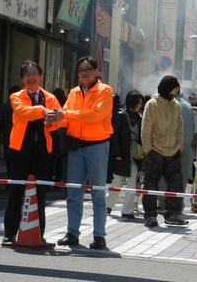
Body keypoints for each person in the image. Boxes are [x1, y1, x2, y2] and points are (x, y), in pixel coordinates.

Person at [2, 61, 62, 247]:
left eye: (34, 73)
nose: (31, 77)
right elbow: (23, 112)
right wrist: (43, 111)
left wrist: (52, 121)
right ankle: (10, 233)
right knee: (16, 192)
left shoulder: (50, 97)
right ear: (22, 78)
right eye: (27, 74)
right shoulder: (16, 96)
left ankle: (39, 234)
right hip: (20, 150)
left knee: (41, 193)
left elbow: (60, 119)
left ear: (40, 75)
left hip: (42, 151)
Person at [56, 56, 113, 250]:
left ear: (96, 70)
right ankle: (72, 233)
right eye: (81, 70)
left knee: (97, 192)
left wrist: (64, 115)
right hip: (76, 146)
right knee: (73, 192)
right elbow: (65, 117)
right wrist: (52, 120)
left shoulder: (105, 91)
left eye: (88, 69)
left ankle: (99, 236)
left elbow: (95, 115)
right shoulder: (73, 92)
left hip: (97, 145)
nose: (85, 73)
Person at [141, 75, 188, 227]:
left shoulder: (176, 106)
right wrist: (148, 149)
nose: (178, 89)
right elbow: (146, 129)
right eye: (176, 86)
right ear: (168, 87)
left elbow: (180, 128)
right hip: (155, 151)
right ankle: (150, 215)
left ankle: (172, 214)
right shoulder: (152, 104)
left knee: (176, 184)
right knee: (151, 185)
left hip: (173, 151)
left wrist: (179, 145)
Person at [106, 93, 139, 219]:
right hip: (123, 154)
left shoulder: (140, 116)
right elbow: (114, 136)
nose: (140, 105)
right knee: (118, 181)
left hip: (134, 155)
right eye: (138, 102)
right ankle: (108, 205)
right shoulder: (120, 115)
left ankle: (127, 210)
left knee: (131, 183)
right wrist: (117, 153)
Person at [0, 85, 22, 179]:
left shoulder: (5, 106)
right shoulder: (25, 107)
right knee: (20, 161)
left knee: (9, 160)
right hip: (21, 139)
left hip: (8, 138)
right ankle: (18, 179)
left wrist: (3, 131)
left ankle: (11, 179)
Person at [47, 88, 67, 187]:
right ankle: (58, 180)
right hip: (63, 135)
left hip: (53, 134)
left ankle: (48, 180)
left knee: (50, 159)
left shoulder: (51, 105)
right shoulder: (66, 105)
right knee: (60, 160)